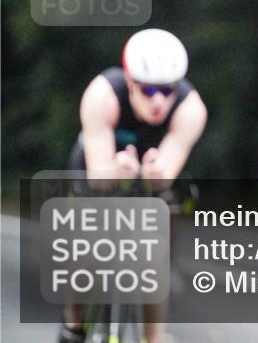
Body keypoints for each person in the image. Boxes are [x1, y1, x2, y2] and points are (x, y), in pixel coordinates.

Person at [58, 28, 208, 343]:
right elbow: (98, 176)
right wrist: (117, 167)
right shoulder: (102, 96)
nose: (159, 101)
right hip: (98, 163)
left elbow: (166, 172)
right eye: (149, 90)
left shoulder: (191, 109)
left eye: (168, 91)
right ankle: (73, 324)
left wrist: (155, 174)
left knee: (153, 259)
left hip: (147, 171)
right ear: (129, 83)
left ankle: (153, 337)